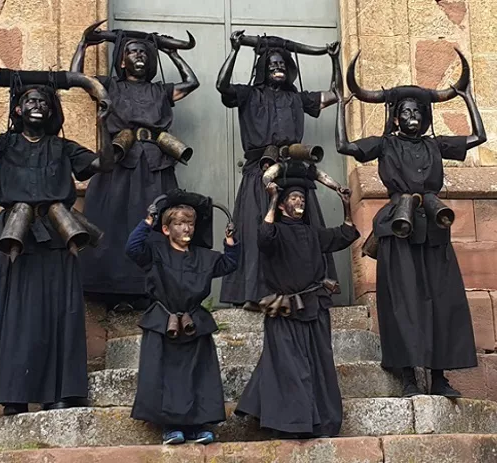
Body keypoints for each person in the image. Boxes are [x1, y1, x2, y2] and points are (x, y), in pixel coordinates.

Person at [0, 71, 115, 415]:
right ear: (18, 110)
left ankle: (59, 393)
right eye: (30, 101)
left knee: (61, 312)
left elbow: (103, 163)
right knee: (14, 314)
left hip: (59, 233)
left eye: (44, 101)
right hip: (15, 235)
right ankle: (14, 396)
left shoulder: (63, 147)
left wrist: (104, 123)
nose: (37, 106)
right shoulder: (3, 144)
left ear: (52, 110)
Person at [334, 49, 486, 397]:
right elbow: (343, 145)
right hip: (397, 227)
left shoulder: (436, 146)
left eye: (417, 111)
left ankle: (438, 376)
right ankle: (405, 375)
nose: (411, 116)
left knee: (441, 298)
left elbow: (479, 138)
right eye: (405, 112)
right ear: (397, 118)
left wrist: (468, 99)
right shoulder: (385, 145)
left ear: (424, 117)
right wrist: (342, 111)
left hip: (434, 226)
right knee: (401, 300)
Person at [72, 24, 200, 312]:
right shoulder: (110, 87)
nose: (139, 56)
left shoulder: (160, 91)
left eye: (143, 52)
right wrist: (84, 44)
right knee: (116, 224)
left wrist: (171, 52)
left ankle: (156, 291)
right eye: (132, 52)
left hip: (156, 164)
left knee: (158, 224)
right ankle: (118, 294)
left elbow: (191, 82)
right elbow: (78, 79)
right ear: (122, 60)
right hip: (120, 163)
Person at [216, 30, 341, 311]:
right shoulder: (249, 94)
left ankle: (309, 290)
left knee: (304, 232)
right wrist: (235, 50)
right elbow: (222, 87)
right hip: (258, 171)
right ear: (262, 68)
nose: (277, 68)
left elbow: (335, 94)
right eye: (272, 64)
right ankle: (254, 293)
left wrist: (334, 61)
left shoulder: (298, 99)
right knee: (256, 231)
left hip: (294, 171)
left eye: (282, 64)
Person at [234, 172, 359, 438]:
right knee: (289, 366)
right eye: (294, 197)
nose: (300, 201)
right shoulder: (274, 230)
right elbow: (264, 237)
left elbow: (346, 234)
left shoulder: (313, 233)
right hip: (285, 310)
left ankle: (319, 422)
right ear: (282, 205)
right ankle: (292, 424)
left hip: (314, 308)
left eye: (302, 197)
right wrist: (272, 198)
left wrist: (346, 204)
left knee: (317, 364)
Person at [125, 189, 240, 445]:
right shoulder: (155, 253)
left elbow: (229, 264)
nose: (186, 229)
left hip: (194, 324)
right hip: (163, 323)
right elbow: (132, 248)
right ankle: (171, 426)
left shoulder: (204, 257)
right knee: (165, 375)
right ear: (166, 229)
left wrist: (230, 242)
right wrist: (147, 221)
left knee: (199, 374)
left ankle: (199, 425)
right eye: (179, 223)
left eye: (189, 223)